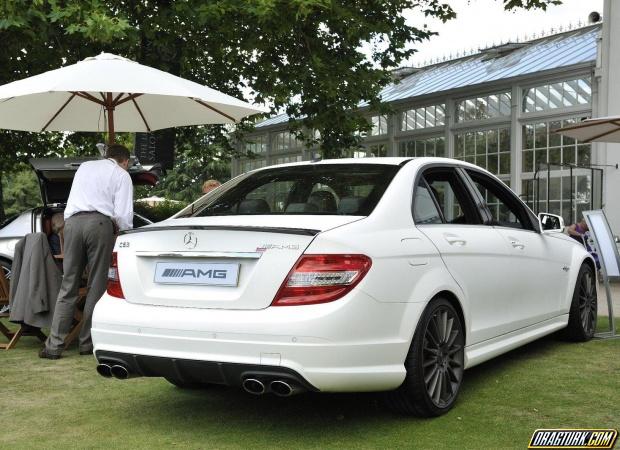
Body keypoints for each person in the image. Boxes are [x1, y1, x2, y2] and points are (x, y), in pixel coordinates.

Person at [39, 144, 133, 359]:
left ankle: (54, 346)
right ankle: (86, 342)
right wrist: (123, 233)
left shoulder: (85, 167)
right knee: (97, 284)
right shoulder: (121, 174)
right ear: (125, 161)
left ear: (107, 156)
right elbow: (123, 215)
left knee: (68, 284)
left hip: (71, 224)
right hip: (99, 224)